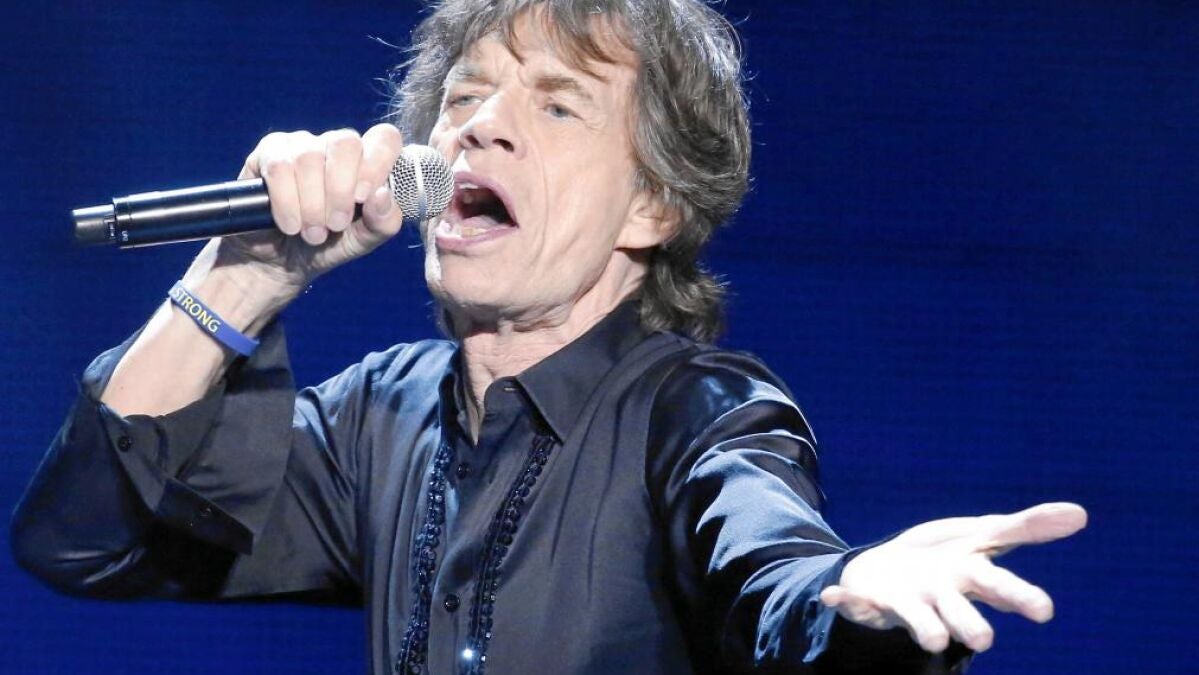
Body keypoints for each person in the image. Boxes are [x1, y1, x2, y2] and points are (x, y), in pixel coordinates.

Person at [10, 1, 1086, 673]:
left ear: (651, 206)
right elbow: (85, 542)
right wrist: (246, 274)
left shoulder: (698, 411)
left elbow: (771, 568)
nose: (480, 124)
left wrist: (853, 598)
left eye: (559, 106)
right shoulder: (381, 416)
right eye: (465, 97)